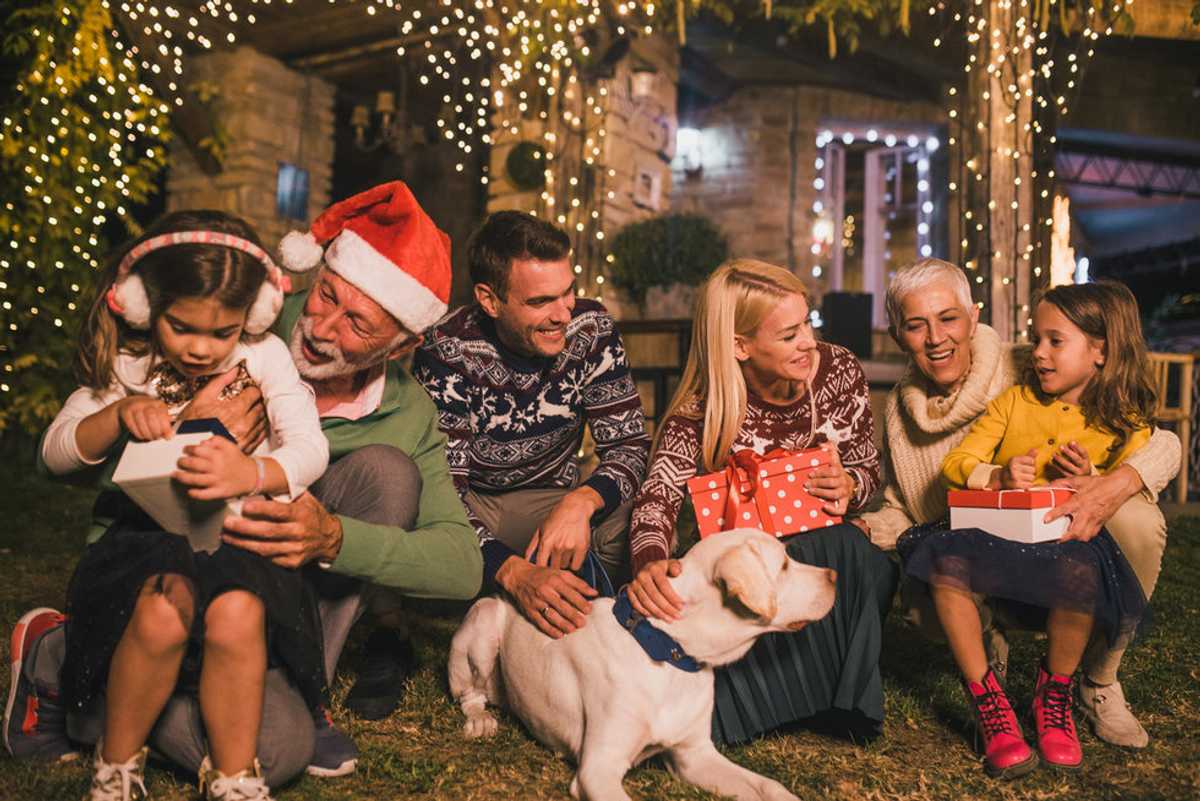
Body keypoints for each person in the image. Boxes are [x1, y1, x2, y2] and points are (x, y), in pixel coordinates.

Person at [6, 182, 484, 785]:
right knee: (188, 670)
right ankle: (76, 657)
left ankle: (295, 688)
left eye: (357, 324)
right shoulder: (234, 318)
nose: (322, 328)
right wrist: (187, 425)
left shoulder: (404, 409)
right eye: (326, 295)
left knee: (388, 475)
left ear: (404, 344)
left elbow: (461, 566)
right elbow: (65, 463)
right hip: (154, 563)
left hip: (260, 587)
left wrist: (334, 538)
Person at [38, 211, 329, 800]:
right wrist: (117, 415)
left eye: (222, 333)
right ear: (144, 306)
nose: (200, 348)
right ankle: (115, 768)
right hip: (148, 541)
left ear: (253, 317)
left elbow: (309, 447)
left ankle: (235, 778)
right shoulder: (131, 366)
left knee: (238, 612)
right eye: (181, 327)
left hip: (237, 537)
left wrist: (253, 471)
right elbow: (54, 454)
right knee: (162, 610)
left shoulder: (265, 354)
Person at [854, 259, 1178, 750]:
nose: (936, 338)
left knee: (1132, 523)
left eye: (948, 318)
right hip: (977, 541)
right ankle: (990, 659)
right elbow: (909, 501)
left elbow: (1160, 443)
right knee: (932, 582)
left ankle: (1096, 680)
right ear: (898, 335)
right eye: (916, 325)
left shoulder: (1030, 364)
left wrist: (1108, 481)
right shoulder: (904, 413)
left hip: (1059, 541)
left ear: (973, 316)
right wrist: (866, 527)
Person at [626, 259, 897, 746]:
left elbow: (866, 467)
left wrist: (850, 485)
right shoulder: (701, 410)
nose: (808, 342)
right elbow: (657, 496)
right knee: (840, 556)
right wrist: (650, 561)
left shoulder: (838, 370)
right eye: (790, 334)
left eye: (808, 323)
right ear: (739, 346)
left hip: (824, 552)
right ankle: (793, 704)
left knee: (865, 559)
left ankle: (827, 704)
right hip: (753, 574)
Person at [412, 211, 650, 638]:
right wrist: (512, 571)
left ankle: (604, 617)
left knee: (639, 517)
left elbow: (630, 447)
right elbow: (443, 491)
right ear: (490, 300)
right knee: (418, 519)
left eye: (568, 292)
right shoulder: (447, 348)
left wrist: (581, 502)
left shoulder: (593, 329)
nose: (563, 314)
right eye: (540, 302)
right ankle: (479, 599)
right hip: (472, 503)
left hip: (552, 502)